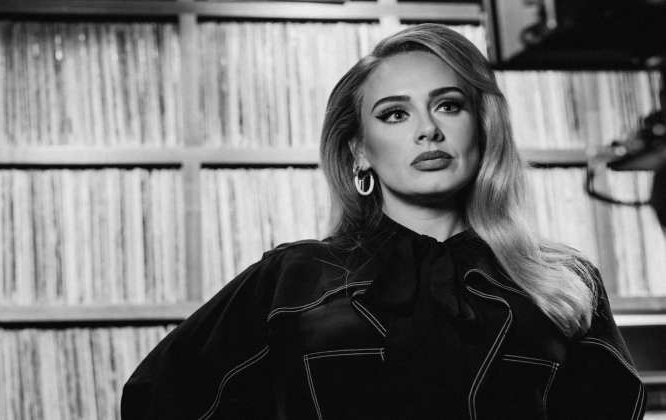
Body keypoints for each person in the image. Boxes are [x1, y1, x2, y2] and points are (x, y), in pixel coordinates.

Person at [121, 24, 645, 419]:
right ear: (359, 150)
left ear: (483, 129)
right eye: (395, 113)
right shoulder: (292, 279)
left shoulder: (562, 281)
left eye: (448, 106)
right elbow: (156, 400)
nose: (427, 130)